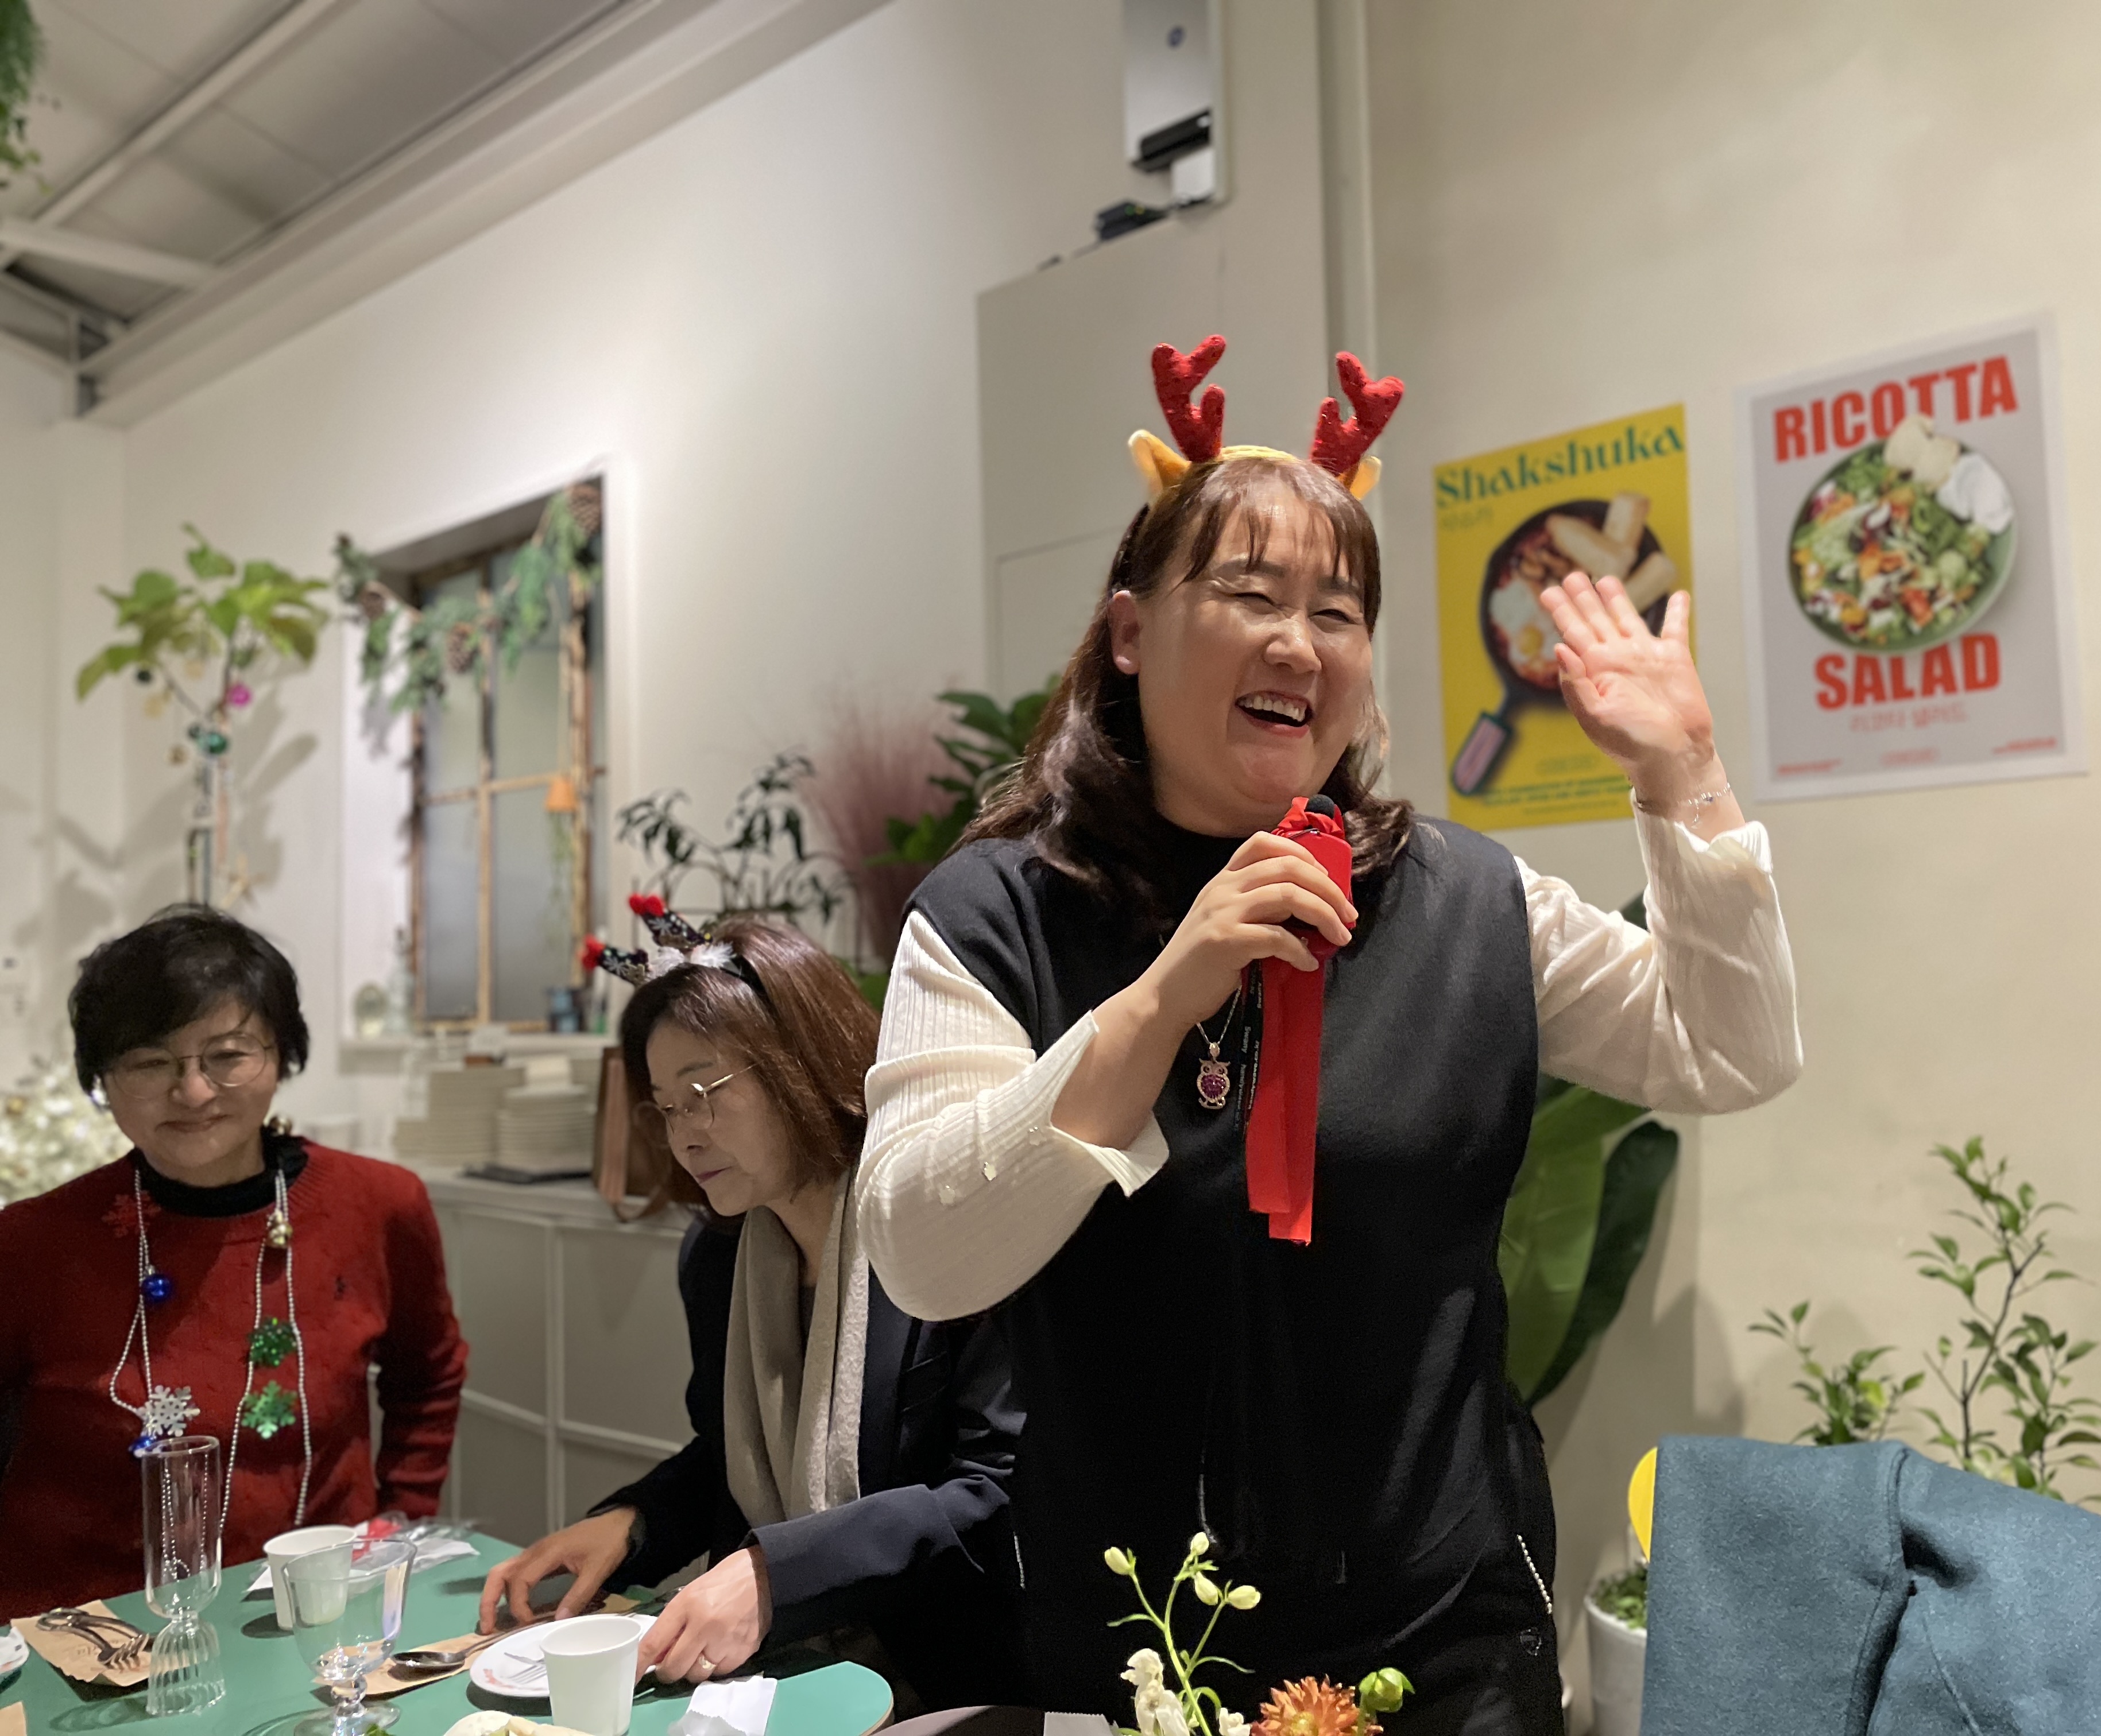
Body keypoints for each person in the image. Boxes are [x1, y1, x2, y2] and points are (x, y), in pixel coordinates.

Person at [856, 340, 1802, 1735]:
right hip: (1141, 1651)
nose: (1299, 642)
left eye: (1338, 611)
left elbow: (1728, 1051)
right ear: (1131, 632)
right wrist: (1161, 998)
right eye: (1250, 596)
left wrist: (1687, 776)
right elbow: (925, 1256)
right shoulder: (1000, 915)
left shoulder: (1465, 900)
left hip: (1446, 1642)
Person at [480, 910, 1024, 1708]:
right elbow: (733, 1456)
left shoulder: (940, 1220)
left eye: (703, 1093)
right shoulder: (719, 1257)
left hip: (947, 1677)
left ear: (801, 1061)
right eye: (666, 1108)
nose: (685, 1138)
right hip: (782, 1674)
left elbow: (997, 1496)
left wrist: (777, 1575)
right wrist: (631, 1524)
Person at [0, 905, 466, 1614]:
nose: (193, 1092)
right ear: (102, 1079)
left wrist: (399, 1521)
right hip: (80, 1628)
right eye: (150, 1062)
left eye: (227, 1056)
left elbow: (429, 1372)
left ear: (281, 1055)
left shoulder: (379, 1205)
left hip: (309, 1613)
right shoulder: (32, 1242)